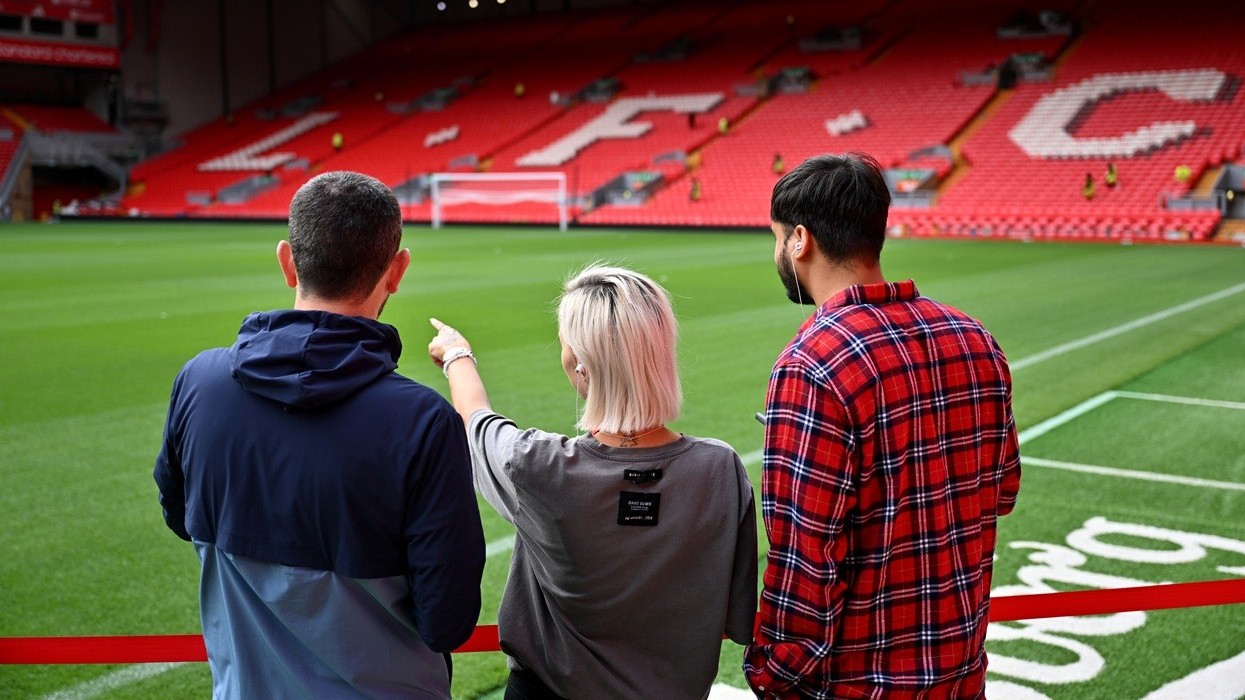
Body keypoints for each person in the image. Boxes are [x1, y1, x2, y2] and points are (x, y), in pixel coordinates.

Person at [154, 171, 486, 699]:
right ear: (397, 272)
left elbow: (180, 514)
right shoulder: (422, 422)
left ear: (287, 261)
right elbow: (447, 620)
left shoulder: (199, 382)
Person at [744, 153, 1021, 698]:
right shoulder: (974, 339)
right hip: (960, 675)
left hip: (857, 684)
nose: (777, 252)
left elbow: (806, 556)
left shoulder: (813, 365)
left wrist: (772, 673)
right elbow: (1003, 490)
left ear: (799, 239)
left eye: (777, 238)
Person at [427, 264, 758, 700]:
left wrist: (456, 353)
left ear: (580, 364)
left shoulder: (538, 465)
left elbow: (476, 420)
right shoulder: (722, 470)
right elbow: (736, 620)